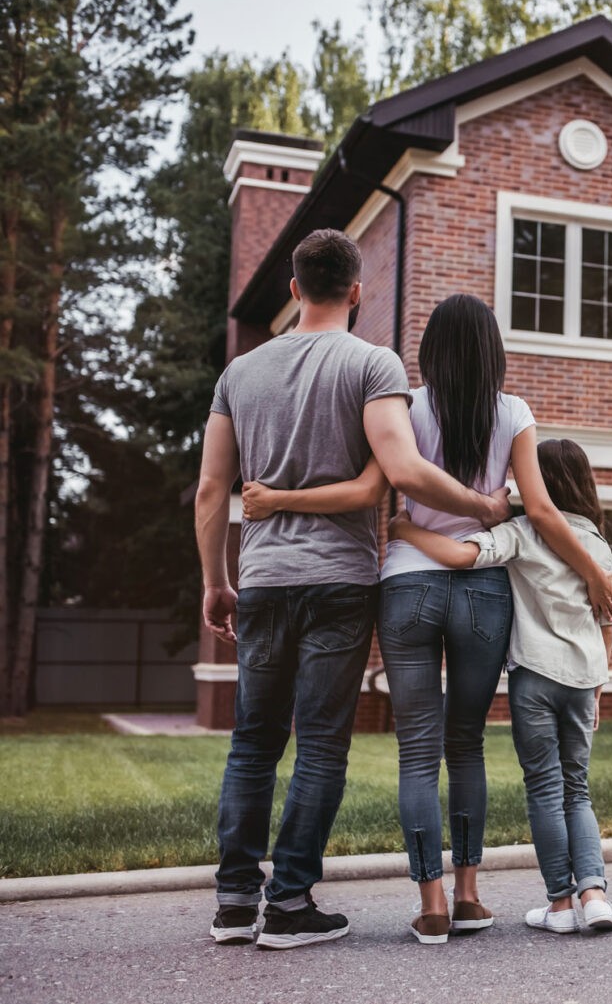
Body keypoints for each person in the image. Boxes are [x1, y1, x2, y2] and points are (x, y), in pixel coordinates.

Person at [241, 294, 612, 945]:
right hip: (482, 590)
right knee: (465, 743)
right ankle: (469, 895)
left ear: (429, 351)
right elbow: (541, 511)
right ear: (494, 351)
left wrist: (398, 524)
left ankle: (433, 903)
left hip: (408, 583)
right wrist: (589, 568)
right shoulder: (514, 412)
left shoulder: (403, 406)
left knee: (417, 750)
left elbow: (378, 483)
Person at [194, 231, 516, 950]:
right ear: (357, 291)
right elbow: (399, 471)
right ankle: (289, 903)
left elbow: (213, 487)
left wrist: (217, 579)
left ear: (293, 288)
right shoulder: (372, 363)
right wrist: (483, 506)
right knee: (319, 746)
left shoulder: (239, 373)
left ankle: (234, 903)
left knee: (252, 743)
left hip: (264, 579)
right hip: (339, 580)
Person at [388, 437, 612, 933]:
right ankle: (596, 896)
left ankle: (560, 906)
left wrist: (405, 528)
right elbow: (606, 625)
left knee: (545, 789)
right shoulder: (598, 545)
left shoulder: (520, 533)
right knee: (577, 790)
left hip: (535, 679)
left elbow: (460, 556)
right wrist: (598, 691)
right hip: (584, 681)